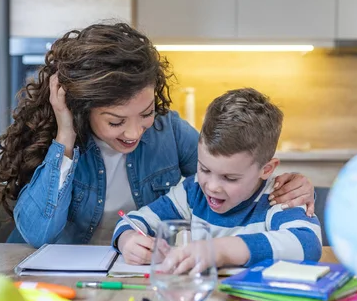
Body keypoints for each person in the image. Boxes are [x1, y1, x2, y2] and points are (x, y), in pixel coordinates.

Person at [0, 22, 316, 248]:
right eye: (115, 122)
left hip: (136, 276)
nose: (133, 133)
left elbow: (226, 170)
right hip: (62, 282)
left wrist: (286, 186)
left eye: (145, 113)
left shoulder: (167, 131)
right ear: (82, 109)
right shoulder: (63, 140)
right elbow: (37, 234)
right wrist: (66, 133)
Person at [113, 88, 322, 271]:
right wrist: (128, 240)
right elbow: (134, 221)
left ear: (266, 169)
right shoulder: (192, 193)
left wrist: (221, 250)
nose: (212, 187)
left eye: (230, 178)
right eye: (204, 169)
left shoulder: (279, 196)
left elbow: (308, 244)